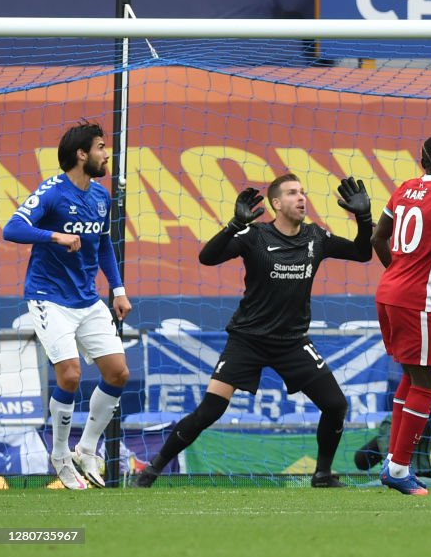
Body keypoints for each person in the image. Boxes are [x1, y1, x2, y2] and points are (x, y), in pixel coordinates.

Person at [133, 173, 372, 488]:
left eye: (302, 192)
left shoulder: (316, 237)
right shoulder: (255, 236)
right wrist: (234, 224)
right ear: (276, 204)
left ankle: (323, 474)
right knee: (210, 411)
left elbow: (363, 253)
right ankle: (152, 470)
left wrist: (364, 218)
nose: (301, 198)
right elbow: (207, 258)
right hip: (248, 340)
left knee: (336, 405)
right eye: (291, 193)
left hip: (292, 342)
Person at [2, 121, 133, 490]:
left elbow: (104, 243)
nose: (107, 153)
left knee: (119, 373)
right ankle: (59, 454)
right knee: (71, 375)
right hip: (48, 297)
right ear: (82, 154)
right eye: (101, 147)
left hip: (87, 297)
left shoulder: (101, 196)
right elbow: (11, 228)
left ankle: (86, 448)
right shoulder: (52, 192)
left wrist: (118, 290)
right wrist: (54, 235)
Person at [371, 135, 431, 496]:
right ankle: (398, 468)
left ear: (421, 161)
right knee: (427, 383)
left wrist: (398, 271)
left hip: (387, 293)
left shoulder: (404, 190)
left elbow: (378, 240)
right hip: (417, 300)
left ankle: (394, 461)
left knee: (411, 377)